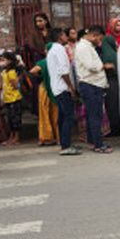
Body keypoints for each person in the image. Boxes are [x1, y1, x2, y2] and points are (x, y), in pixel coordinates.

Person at [75, 25, 112, 154]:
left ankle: (94, 140)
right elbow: (91, 66)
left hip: (95, 84)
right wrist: (103, 66)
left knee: (94, 115)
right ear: (93, 36)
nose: (100, 42)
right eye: (99, 39)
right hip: (90, 84)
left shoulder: (88, 46)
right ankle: (98, 144)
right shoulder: (83, 47)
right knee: (95, 115)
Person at [47, 28, 79, 156]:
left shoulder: (52, 50)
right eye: (65, 35)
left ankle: (65, 142)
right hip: (62, 88)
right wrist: (71, 87)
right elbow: (63, 71)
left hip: (57, 87)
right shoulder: (59, 49)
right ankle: (66, 145)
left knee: (62, 117)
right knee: (68, 116)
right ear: (60, 36)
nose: (66, 37)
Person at [28, 46, 59, 147]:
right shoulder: (57, 61)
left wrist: (41, 76)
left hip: (44, 88)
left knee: (44, 113)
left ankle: (46, 137)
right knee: (55, 114)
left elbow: (32, 71)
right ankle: (58, 136)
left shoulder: (43, 62)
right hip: (55, 88)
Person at [101, 18, 120, 138]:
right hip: (111, 80)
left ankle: (118, 126)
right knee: (113, 104)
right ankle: (114, 127)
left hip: (119, 79)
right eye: (117, 25)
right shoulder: (107, 41)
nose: (119, 27)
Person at [0, 52, 23, 146]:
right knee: (10, 119)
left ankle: (16, 137)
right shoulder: (4, 72)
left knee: (15, 119)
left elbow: (15, 85)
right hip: (8, 98)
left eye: (4, 60)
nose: (2, 62)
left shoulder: (11, 72)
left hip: (14, 98)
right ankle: (11, 137)